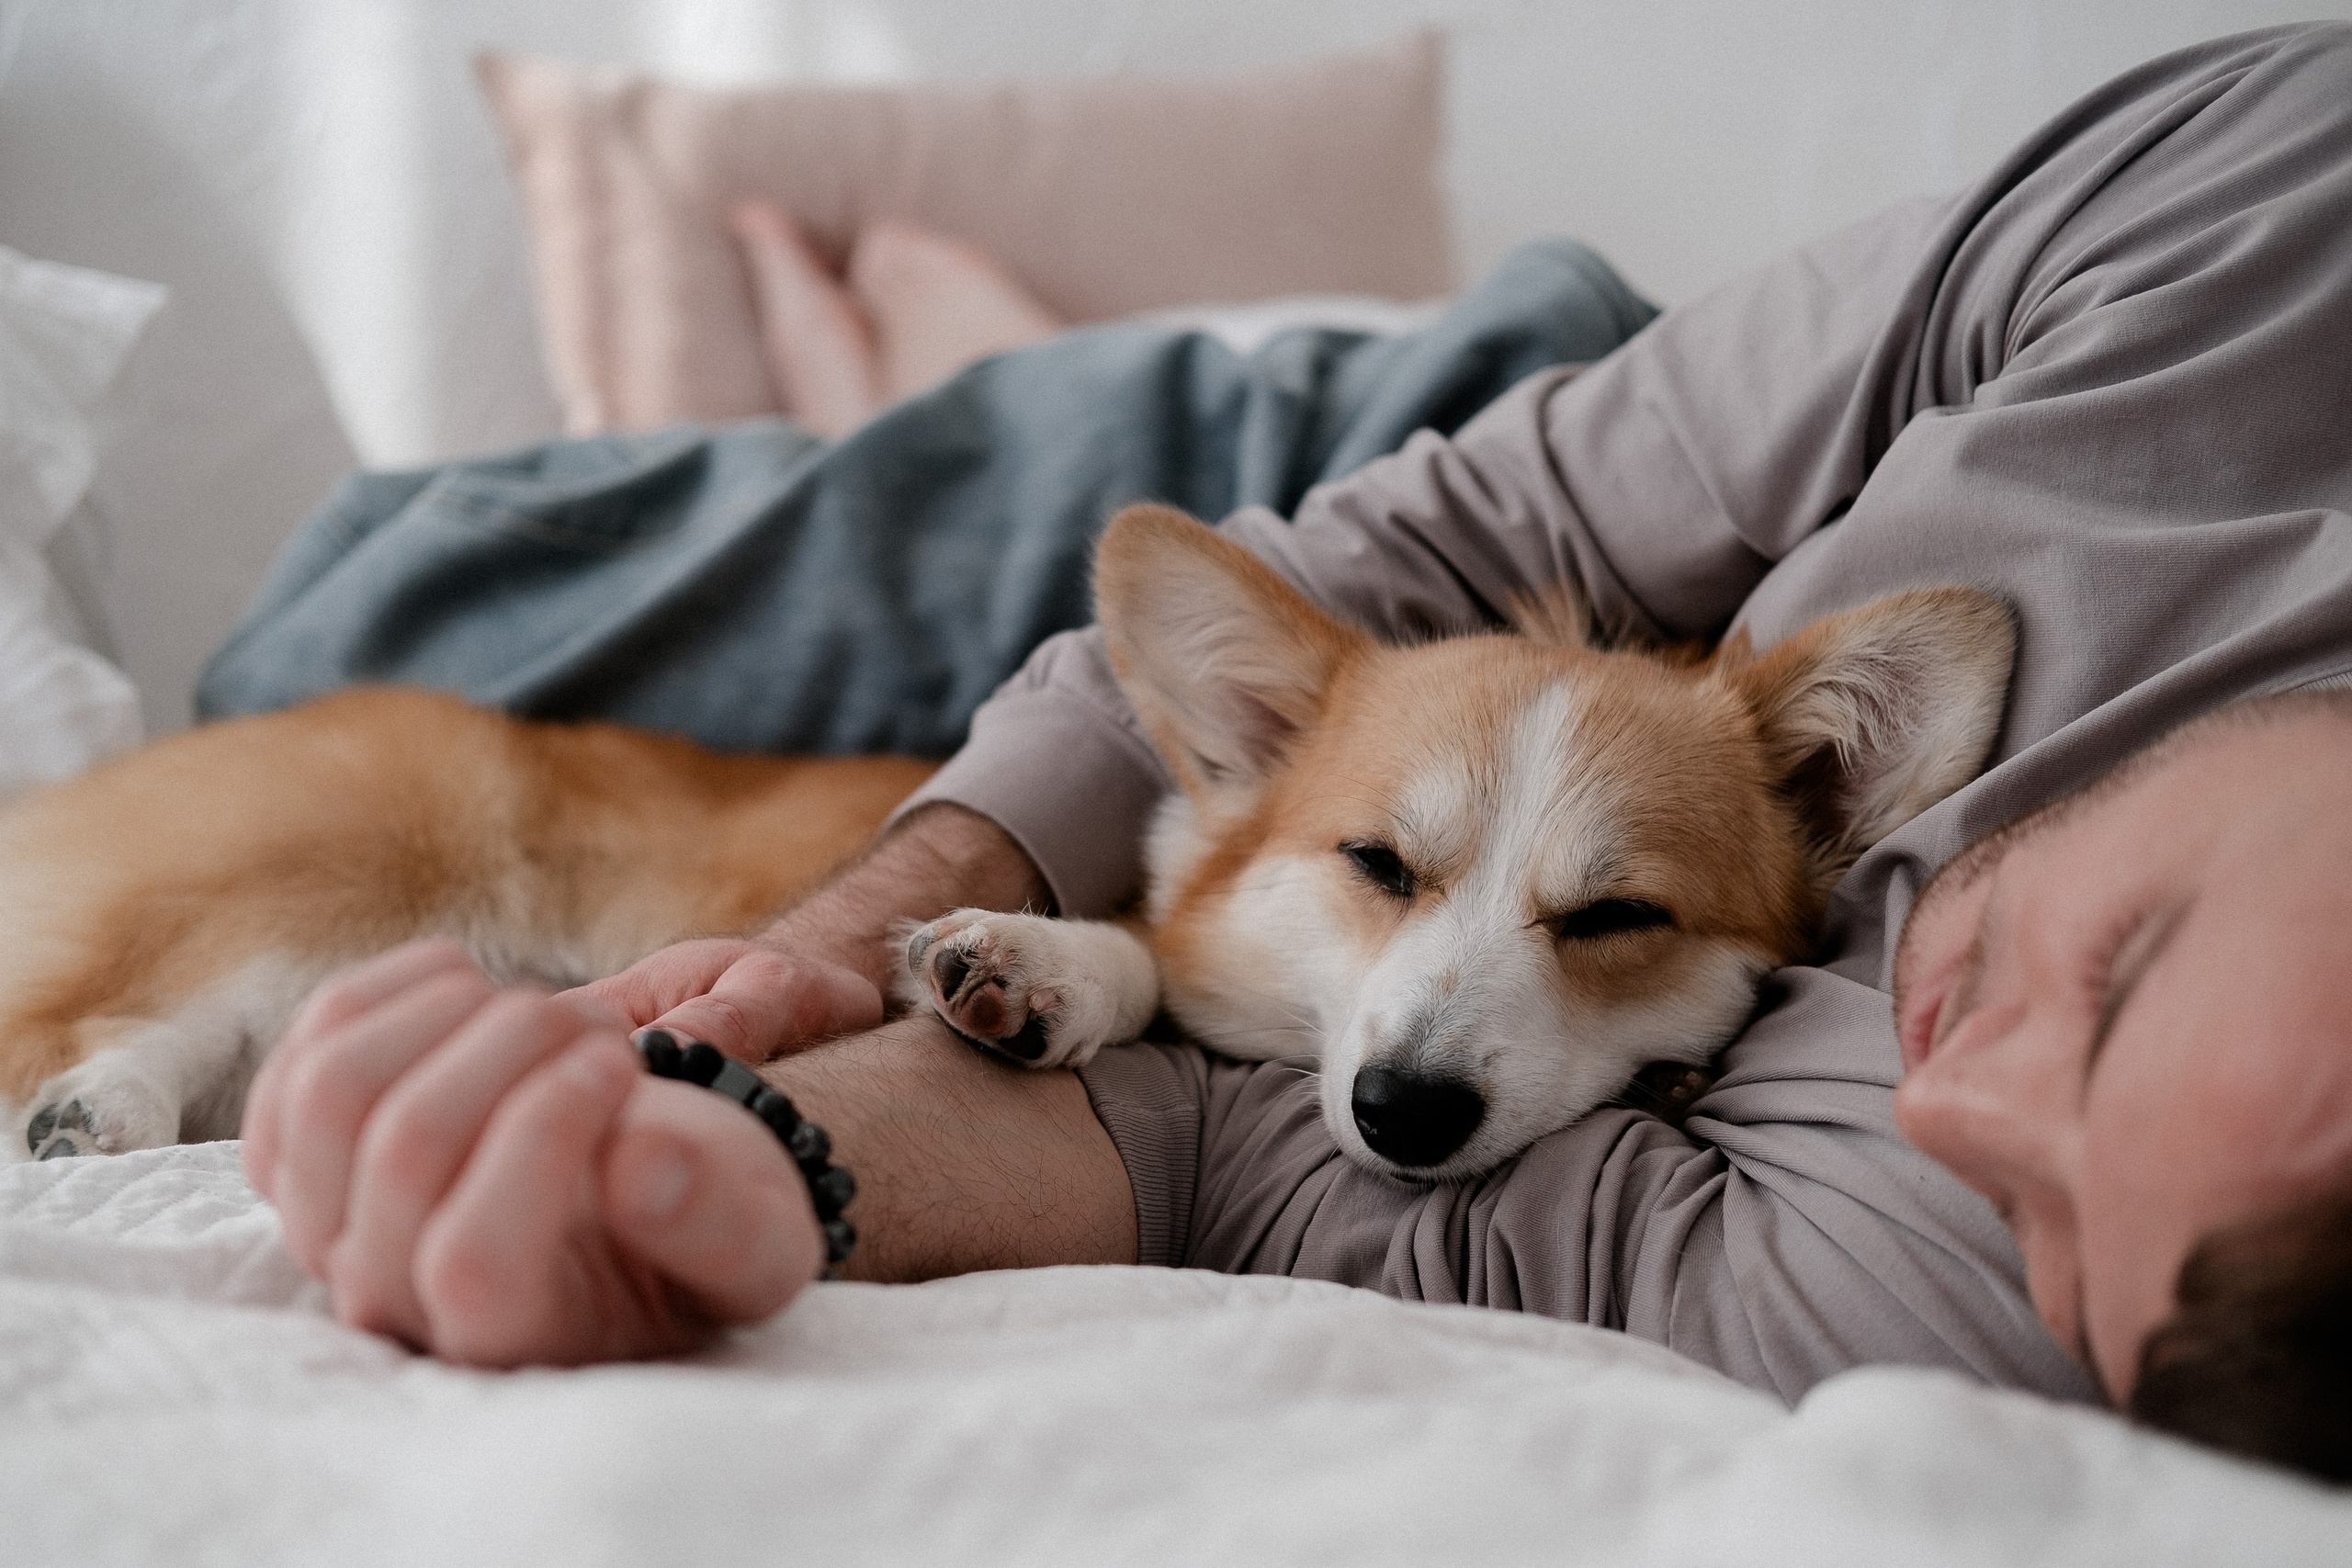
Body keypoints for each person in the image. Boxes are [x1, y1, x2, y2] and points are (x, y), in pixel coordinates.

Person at [236, 25, 2352, 1479]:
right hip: (1514, 466)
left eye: (2040, 1226)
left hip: (1562, 713)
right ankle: (992, 348)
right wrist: (877, 906)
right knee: (381, 595)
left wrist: (762, 1137)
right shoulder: (2278, 201)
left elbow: (1258, 1151)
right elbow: (1450, 528)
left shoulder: (2037, 1304)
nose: (1933, 1085)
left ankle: (950, 344)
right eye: (2128, 965)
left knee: (335, 637)